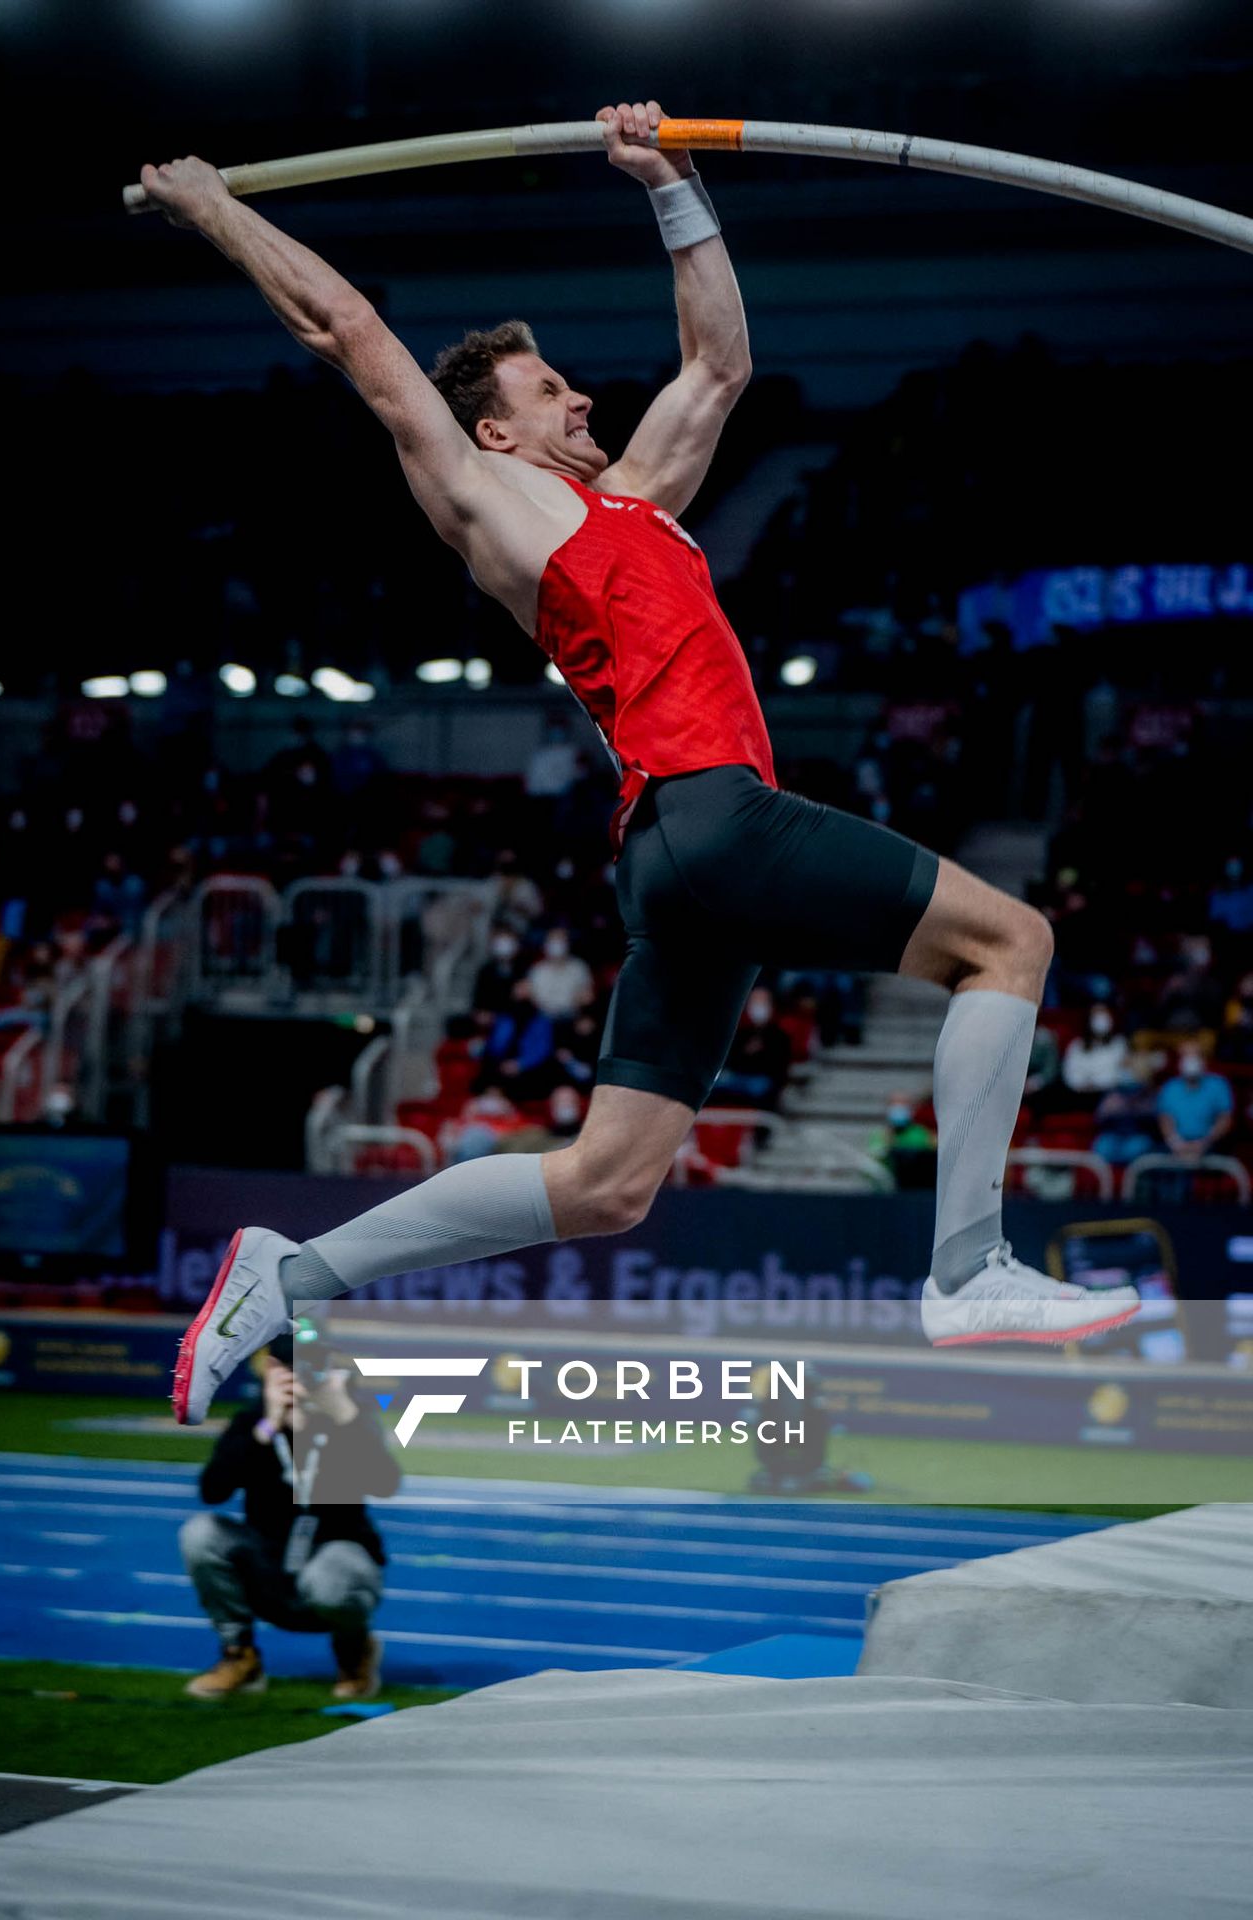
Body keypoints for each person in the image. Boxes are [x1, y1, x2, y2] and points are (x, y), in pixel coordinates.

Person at [143, 100, 1138, 1423]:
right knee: (1009, 942)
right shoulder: (497, 505)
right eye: (550, 389)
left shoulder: (637, 508)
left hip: (675, 868)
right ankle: (968, 1268)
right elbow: (352, 336)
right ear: (493, 434)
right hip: (712, 815)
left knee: (612, 1183)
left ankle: (293, 1267)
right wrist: (212, 205)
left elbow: (718, 364)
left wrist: (667, 185)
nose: (582, 394)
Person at [178, 1334, 399, 1700]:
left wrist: (344, 1417)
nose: (304, 1378)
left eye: (313, 1368)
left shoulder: (348, 1417)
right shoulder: (254, 1420)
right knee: (201, 1533)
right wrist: (267, 1427)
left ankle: (354, 1652)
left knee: (332, 1577)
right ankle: (240, 1657)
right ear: (272, 1373)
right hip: (268, 1563)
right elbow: (212, 1490)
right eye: (293, 1370)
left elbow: (385, 1483)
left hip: (336, 1562)